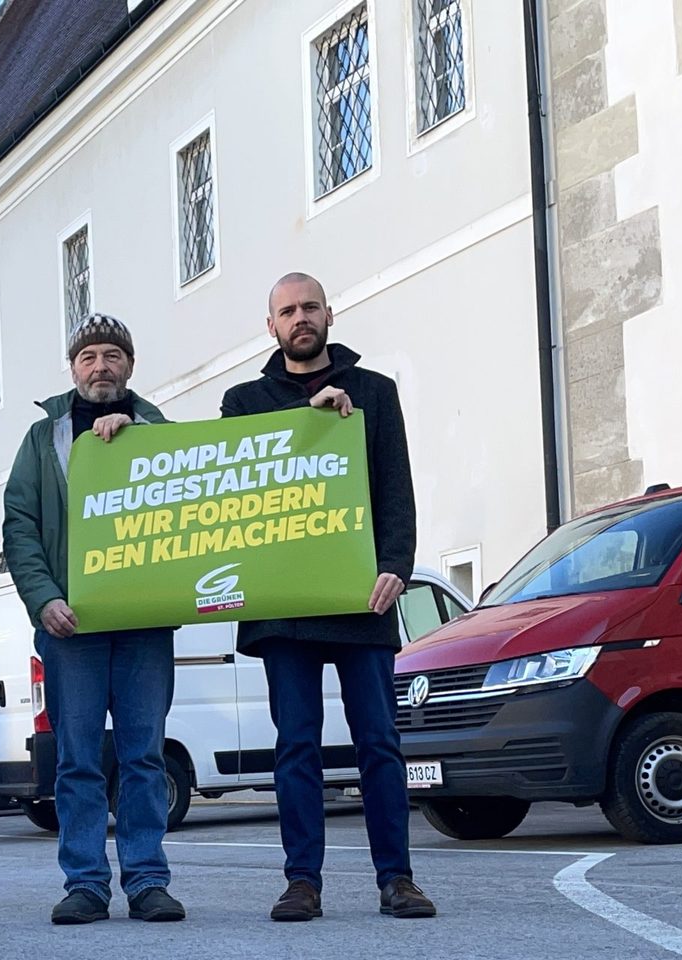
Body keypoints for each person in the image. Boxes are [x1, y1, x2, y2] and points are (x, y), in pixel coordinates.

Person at [220, 273, 436, 922]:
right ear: (271, 327)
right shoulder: (243, 402)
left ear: (329, 314)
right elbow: (234, 484)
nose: (300, 318)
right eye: (287, 310)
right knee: (296, 746)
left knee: (379, 742)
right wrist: (305, 422)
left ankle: (397, 878)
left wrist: (396, 565)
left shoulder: (374, 392)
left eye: (309, 306)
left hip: (360, 597)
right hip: (283, 605)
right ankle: (301, 882)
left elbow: (395, 488)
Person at [2, 314, 186, 926]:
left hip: (143, 625)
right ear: (73, 368)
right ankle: (84, 883)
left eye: (112, 355)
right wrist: (43, 599)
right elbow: (20, 526)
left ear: (129, 365)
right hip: (70, 626)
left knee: (144, 758)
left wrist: (137, 442)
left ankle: (147, 880)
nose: (100, 366)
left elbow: (192, 508)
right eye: (88, 357)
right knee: (77, 761)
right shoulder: (41, 438)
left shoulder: (160, 432)